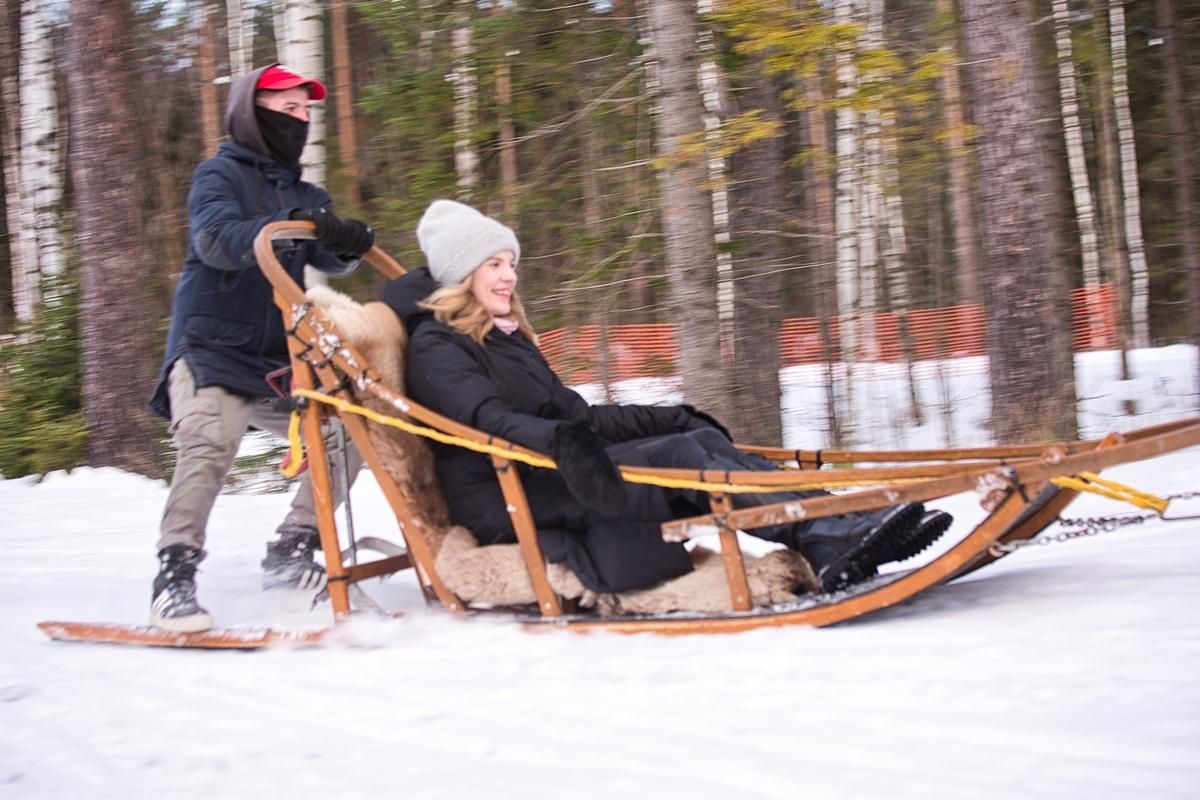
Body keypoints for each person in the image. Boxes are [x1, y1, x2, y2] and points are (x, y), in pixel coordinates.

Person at [381, 199, 953, 598]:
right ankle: (827, 534)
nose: (508, 277)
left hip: (549, 469)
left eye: (510, 264)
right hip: (505, 493)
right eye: (493, 265)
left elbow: (575, 415)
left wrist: (665, 414)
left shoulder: (506, 339)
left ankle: (846, 522)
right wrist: (564, 442)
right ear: (462, 274)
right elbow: (484, 423)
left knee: (694, 438)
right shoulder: (438, 346)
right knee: (682, 459)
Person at [147, 65, 376, 632]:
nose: (299, 120)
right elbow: (218, 241)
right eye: (287, 109)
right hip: (211, 348)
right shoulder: (216, 176)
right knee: (209, 444)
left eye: (305, 111)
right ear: (253, 112)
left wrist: (346, 243)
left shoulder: (307, 193)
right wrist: (290, 223)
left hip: (279, 362)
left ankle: (294, 547)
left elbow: (328, 259)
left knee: (352, 428)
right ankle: (173, 575)